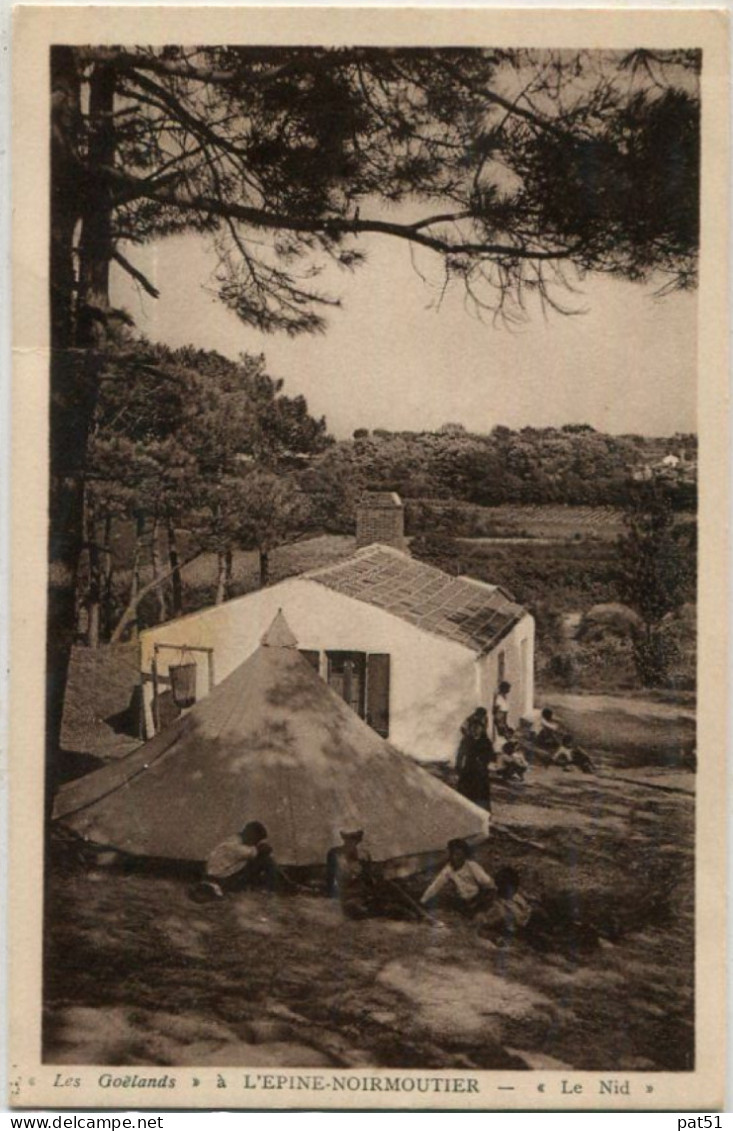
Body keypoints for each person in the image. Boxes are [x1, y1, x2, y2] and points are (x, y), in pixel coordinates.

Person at [326, 829, 423, 921]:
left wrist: (376, 886)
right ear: (344, 838)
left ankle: (420, 914)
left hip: (365, 893)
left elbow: (368, 878)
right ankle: (391, 910)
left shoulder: (363, 854)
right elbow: (330, 877)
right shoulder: (335, 854)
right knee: (358, 909)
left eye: (355, 838)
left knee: (391, 886)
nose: (352, 841)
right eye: (349, 838)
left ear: (358, 840)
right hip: (349, 896)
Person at [193, 821, 276, 900]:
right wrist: (264, 850)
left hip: (217, 876)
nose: (256, 843)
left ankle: (264, 889)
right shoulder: (235, 847)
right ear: (251, 835)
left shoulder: (232, 840)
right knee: (264, 860)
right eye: (257, 840)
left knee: (259, 859)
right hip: (221, 880)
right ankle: (268, 891)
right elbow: (257, 851)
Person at [420, 838, 496, 917]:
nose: (456, 858)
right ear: (451, 855)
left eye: (459, 854)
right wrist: (423, 900)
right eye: (454, 854)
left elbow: (489, 885)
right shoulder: (448, 869)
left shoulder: (472, 866)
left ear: (464, 855)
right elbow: (436, 885)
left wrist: (484, 899)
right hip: (464, 900)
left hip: (478, 897)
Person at [478, 866, 533, 945]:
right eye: (510, 888)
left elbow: (526, 908)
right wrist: (496, 938)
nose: (514, 891)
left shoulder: (516, 897)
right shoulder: (497, 907)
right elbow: (482, 928)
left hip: (528, 924)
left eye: (514, 888)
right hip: (519, 932)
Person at [455, 711, 493, 809]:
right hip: (468, 770)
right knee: (464, 793)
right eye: (473, 727)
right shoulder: (467, 740)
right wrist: (458, 765)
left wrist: (483, 761)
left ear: (482, 728)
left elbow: (490, 755)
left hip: (481, 773)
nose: (475, 729)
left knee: (480, 795)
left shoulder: (485, 741)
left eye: (478, 727)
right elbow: (460, 753)